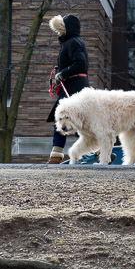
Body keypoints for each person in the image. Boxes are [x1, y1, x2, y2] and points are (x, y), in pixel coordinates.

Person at [46, 14, 89, 163]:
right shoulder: (73, 42)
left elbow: (80, 64)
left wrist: (62, 73)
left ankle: (56, 155)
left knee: (63, 118)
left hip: (72, 87)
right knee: (75, 120)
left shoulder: (72, 43)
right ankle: (98, 151)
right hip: (74, 86)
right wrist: (61, 70)